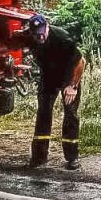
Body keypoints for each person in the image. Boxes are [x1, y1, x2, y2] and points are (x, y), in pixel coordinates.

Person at [22, 14, 85, 170]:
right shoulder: (31, 38)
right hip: (49, 77)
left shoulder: (63, 39)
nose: (40, 36)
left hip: (68, 78)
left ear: (47, 27)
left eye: (42, 32)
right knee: (43, 112)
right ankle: (39, 157)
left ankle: (72, 158)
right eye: (37, 34)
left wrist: (73, 86)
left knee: (70, 113)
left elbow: (81, 62)